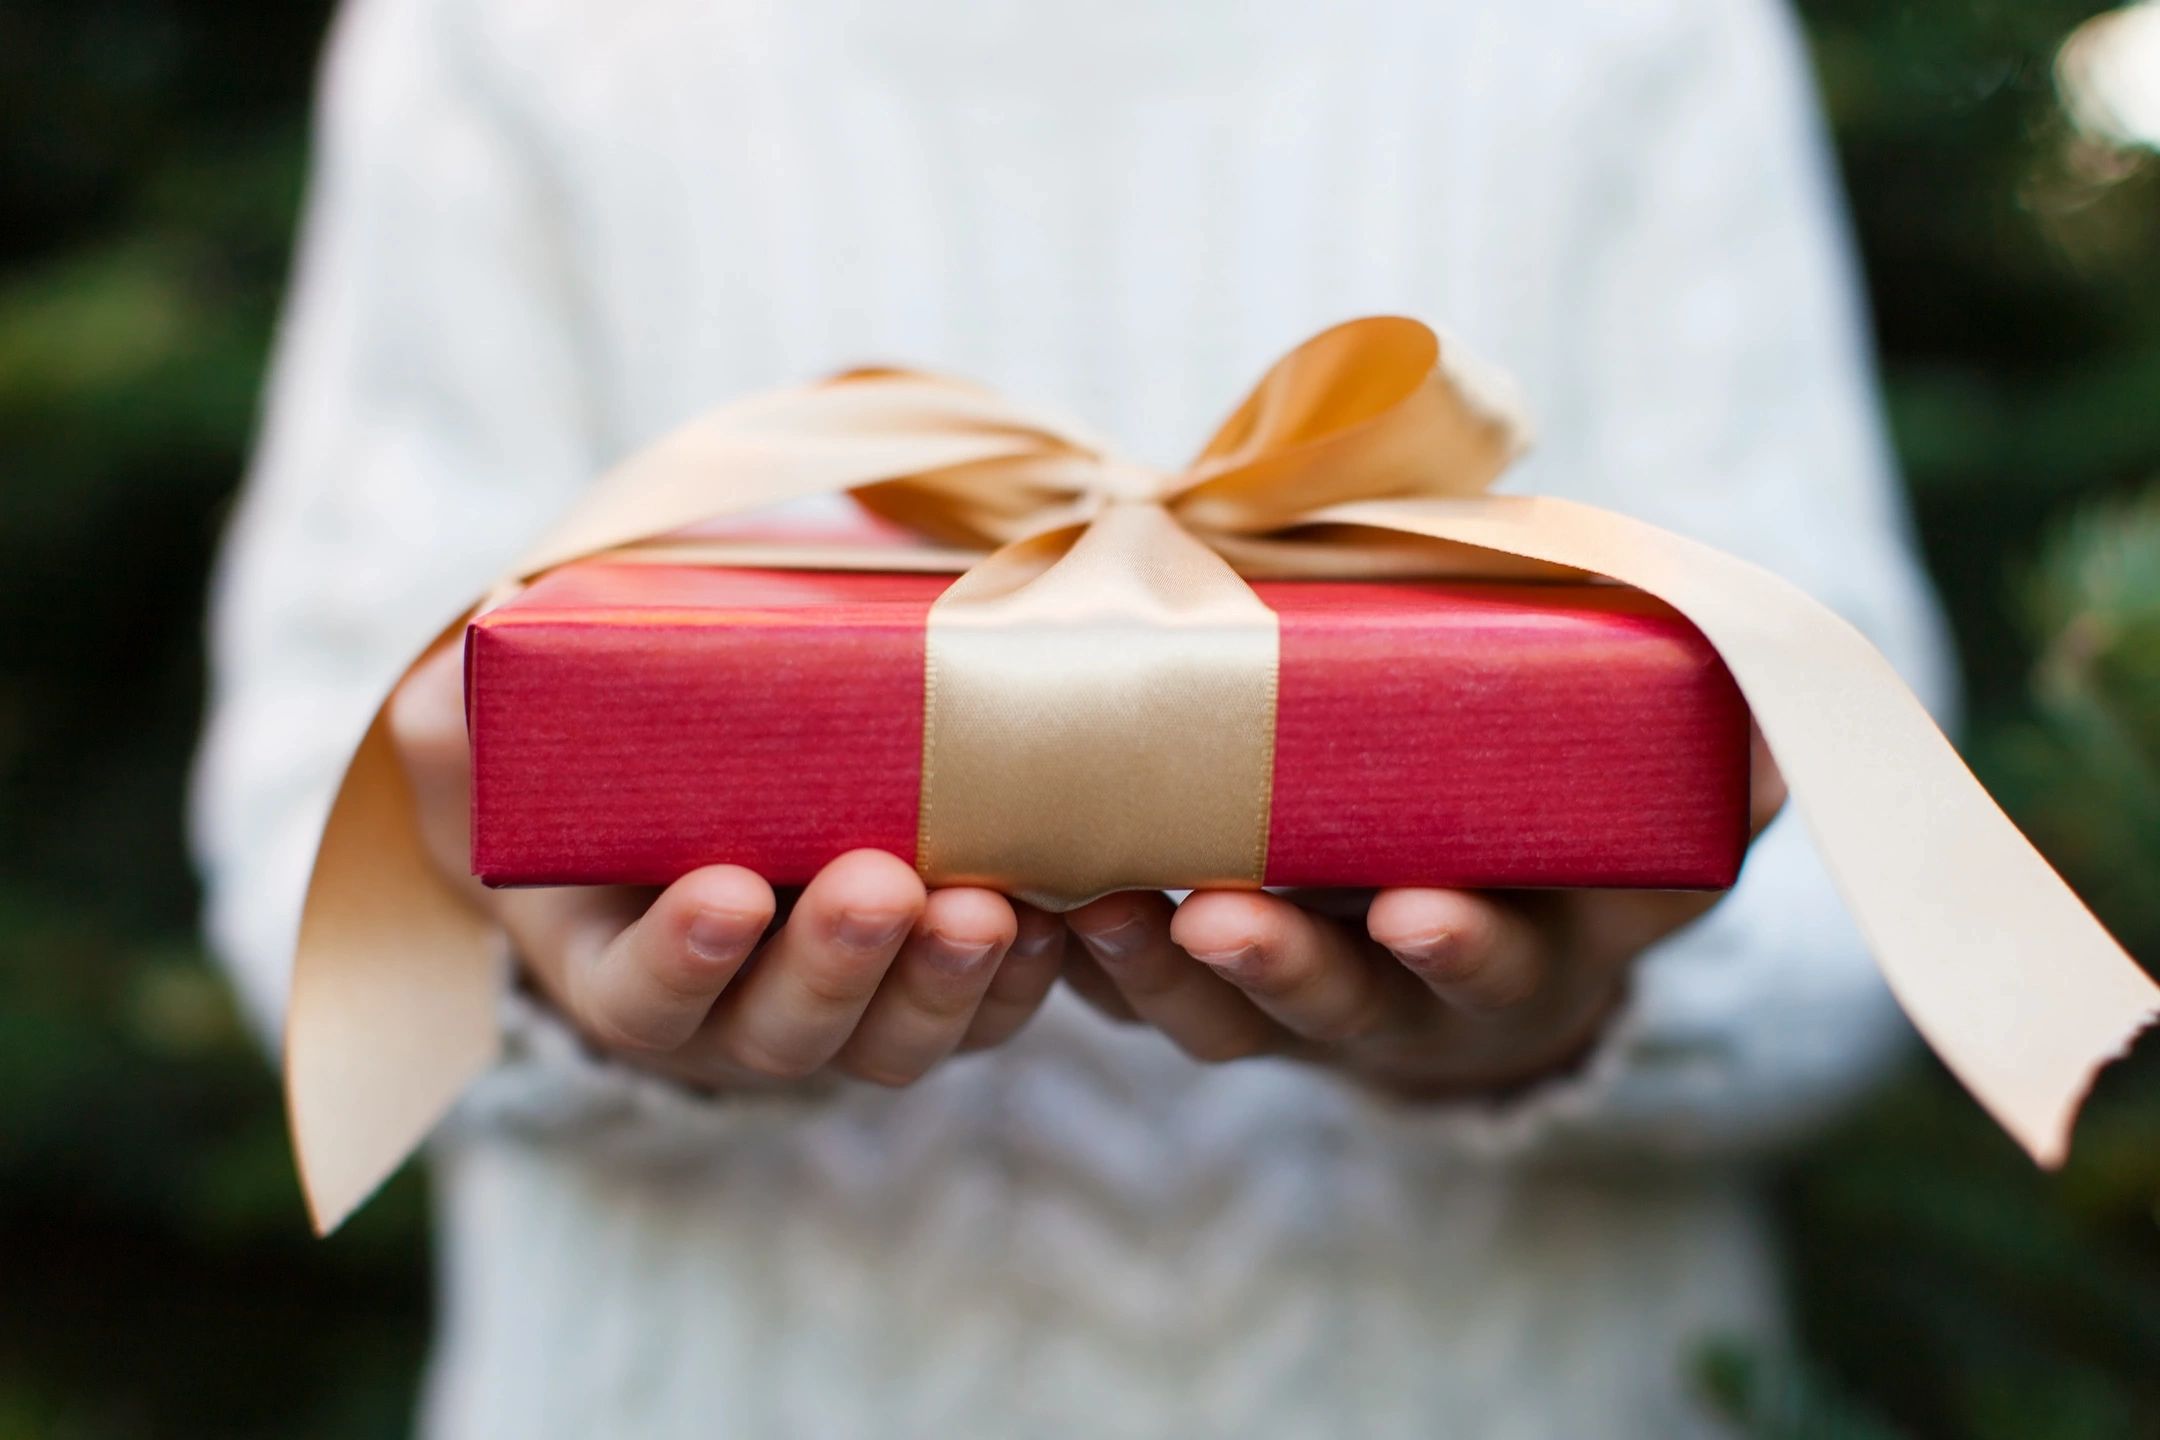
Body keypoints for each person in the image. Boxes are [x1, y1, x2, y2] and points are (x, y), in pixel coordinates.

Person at [192, 0, 1953, 1434]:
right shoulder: (506, 36)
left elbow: (1862, 833)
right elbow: (322, 814)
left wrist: (1572, 1005)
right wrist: (544, 973)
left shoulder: (1640, 35)